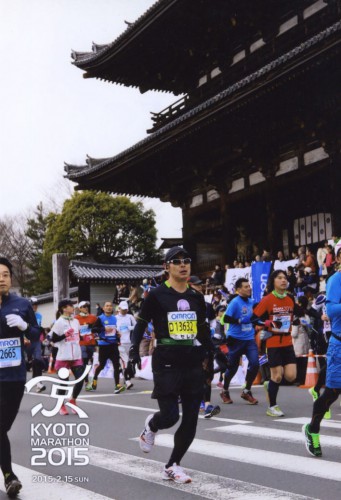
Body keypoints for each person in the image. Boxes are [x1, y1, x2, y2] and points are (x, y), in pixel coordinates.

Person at [129, 246, 213, 484]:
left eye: (186, 260)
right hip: (166, 359)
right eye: (177, 261)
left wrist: (213, 351)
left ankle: (173, 464)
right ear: (167, 267)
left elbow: (203, 329)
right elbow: (141, 323)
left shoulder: (196, 297)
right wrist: (134, 349)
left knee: (191, 418)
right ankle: (152, 425)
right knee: (170, 416)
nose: (183, 265)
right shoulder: (156, 295)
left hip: (192, 359)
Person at [0, 257, 40, 497]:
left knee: (2, 427)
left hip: (14, 377)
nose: (1, 279)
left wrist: (25, 326)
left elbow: (36, 335)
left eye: (5, 274)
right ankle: (9, 476)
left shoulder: (22, 304)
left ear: (11, 278)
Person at [302, 248, 341, 457]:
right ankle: (312, 429)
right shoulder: (336, 280)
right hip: (339, 344)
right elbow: (332, 311)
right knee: (332, 393)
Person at [253, 270, 298, 417]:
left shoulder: (290, 298)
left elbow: (298, 312)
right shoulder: (267, 299)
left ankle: (270, 384)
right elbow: (253, 319)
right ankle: (272, 407)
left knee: (291, 376)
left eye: (285, 278)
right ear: (273, 281)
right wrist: (270, 322)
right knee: (278, 376)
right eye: (279, 278)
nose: (283, 280)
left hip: (287, 341)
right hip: (273, 342)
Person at [220, 278, 259, 405]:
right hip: (235, 339)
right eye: (246, 287)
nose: (249, 288)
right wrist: (238, 321)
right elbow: (225, 318)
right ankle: (225, 390)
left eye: (249, 286)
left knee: (255, 364)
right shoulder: (235, 303)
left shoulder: (251, 302)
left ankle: (247, 391)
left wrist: (265, 322)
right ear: (239, 289)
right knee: (233, 367)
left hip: (249, 338)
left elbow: (255, 319)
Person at [50, 298, 85, 416]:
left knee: (80, 379)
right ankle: (61, 404)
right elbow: (53, 339)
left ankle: (73, 400)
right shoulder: (59, 322)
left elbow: (79, 336)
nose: (73, 307)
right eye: (70, 305)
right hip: (63, 357)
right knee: (64, 383)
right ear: (64, 308)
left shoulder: (76, 321)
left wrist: (88, 337)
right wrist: (65, 334)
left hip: (76, 355)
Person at [90, 301, 122, 393]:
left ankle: (117, 385)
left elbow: (115, 330)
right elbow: (93, 330)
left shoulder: (115, 319)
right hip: (104, 345)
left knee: (116, 365)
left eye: (110, 306)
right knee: (102, 365)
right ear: (103, 308)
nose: (109, 307)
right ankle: (95, 379)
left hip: (113, 345)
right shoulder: (100, 318)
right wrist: (104, 329)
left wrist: (118, 335)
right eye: (107, 306)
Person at [75, 301, 97, 391]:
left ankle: (92, 380)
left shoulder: (93, 317)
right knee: (84, 362)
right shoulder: (76, 318)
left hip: (91, 343)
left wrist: (94, 329)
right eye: (83, 306)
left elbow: (98, 327)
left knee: (92, 363)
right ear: (79, 308)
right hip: (81, 344)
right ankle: (86, 381)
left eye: (87, 306)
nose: (86, 308)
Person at [116, 301, 136, 391]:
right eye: (123, 309)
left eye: (126, 309)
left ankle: (126, 377)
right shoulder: (115, 318)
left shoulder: (130, 317)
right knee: (125, 362)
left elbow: (137, 327)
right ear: (119, 308)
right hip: (120, 344)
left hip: (130, 343)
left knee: (130, 363)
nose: (124, 311)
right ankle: (127, 382)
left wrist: (130, 328)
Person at [30, 297, 46, 393]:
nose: (35, 306)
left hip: (36, 341)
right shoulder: (24, 315)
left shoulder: (39, 315)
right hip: (25, 341)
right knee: (21, 363)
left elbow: (38, 327)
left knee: (38, 360)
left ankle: (38, 383)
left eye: (36, 304)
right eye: (33, 304)